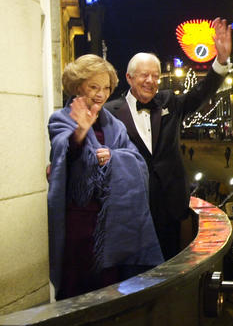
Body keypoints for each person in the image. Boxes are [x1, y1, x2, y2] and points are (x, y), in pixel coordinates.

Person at [105, 17, 231, 260]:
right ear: (129, 78)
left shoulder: (169, 102)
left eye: (155, 76)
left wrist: (221, 61)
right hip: (131, 209)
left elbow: (200, 93)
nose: (151, 81)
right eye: (144, 76)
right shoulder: (110, 112)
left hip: (170, 208)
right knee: (134, 274)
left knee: (171, 267)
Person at [47, 54, 163, 300]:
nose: (101, 94)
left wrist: (113, 157)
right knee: (77, 290)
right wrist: (80, 131)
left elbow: (137, 162)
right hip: (79, 225)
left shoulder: (115, 126)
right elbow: (63, 153)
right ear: (78, 86)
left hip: (114, 224)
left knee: (110, 290)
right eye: (93, 87)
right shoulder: (61, 118)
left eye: (106, 88)